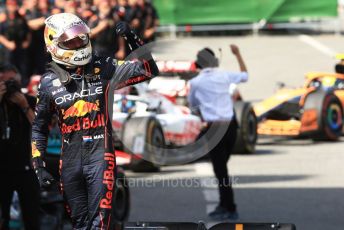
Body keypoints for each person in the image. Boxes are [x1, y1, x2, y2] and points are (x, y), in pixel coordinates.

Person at [31, 13, 158, 229]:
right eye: (70, 41)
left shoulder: (105, 67)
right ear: (53, 44)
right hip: (70, 163)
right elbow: (39, 128)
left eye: (81, 38)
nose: (78, 44)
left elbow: (148, 70)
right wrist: (38, 164)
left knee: (100, 224)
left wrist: (133, 39)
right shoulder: (47, 83)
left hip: (101, 157)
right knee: (80, 225)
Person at [188, 45, 248, 221]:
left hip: (215, 130)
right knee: (222, 169)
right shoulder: (224, 75)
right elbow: (245, 75)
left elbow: (192, 105)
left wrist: (202, 112)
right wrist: (238, 54)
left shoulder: (196, 82)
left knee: (221, 171)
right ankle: (224, 204)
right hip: (231, 127)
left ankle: (230, 208)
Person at [0, 64, 40, 230]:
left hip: (26, 169)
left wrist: (24, 105)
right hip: (1, 170)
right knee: (3, 220)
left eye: (13, 82)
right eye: (5, 82)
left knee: (32, 218)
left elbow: (40, 127)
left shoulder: (29, 101)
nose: (10, 87)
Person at [0, 0, 31, 86]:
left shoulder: (21, 17)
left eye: (13, 5)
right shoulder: (3, 18)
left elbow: (27, 31)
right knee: (7, 68)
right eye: (10, 5)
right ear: (7, 6)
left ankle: (23, 86)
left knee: (22, 67)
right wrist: (7, 43)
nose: (12, 7)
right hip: (7, 49)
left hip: (20, 47)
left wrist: (27, 42)